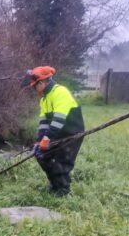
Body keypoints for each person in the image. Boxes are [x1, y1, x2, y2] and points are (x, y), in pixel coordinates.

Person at [27, 66, 85, 196]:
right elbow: (43, 123)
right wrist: (39, 141)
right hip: (57, 133)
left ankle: (63, 191)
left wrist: (46, 139)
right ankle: (54, 185)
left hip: (72, 133)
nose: (34, 89)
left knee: (62, 161)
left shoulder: (60, 92)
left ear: (41, 83)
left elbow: (58, 120)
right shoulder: (44, 99)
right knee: (42, 156)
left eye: (34, 86)